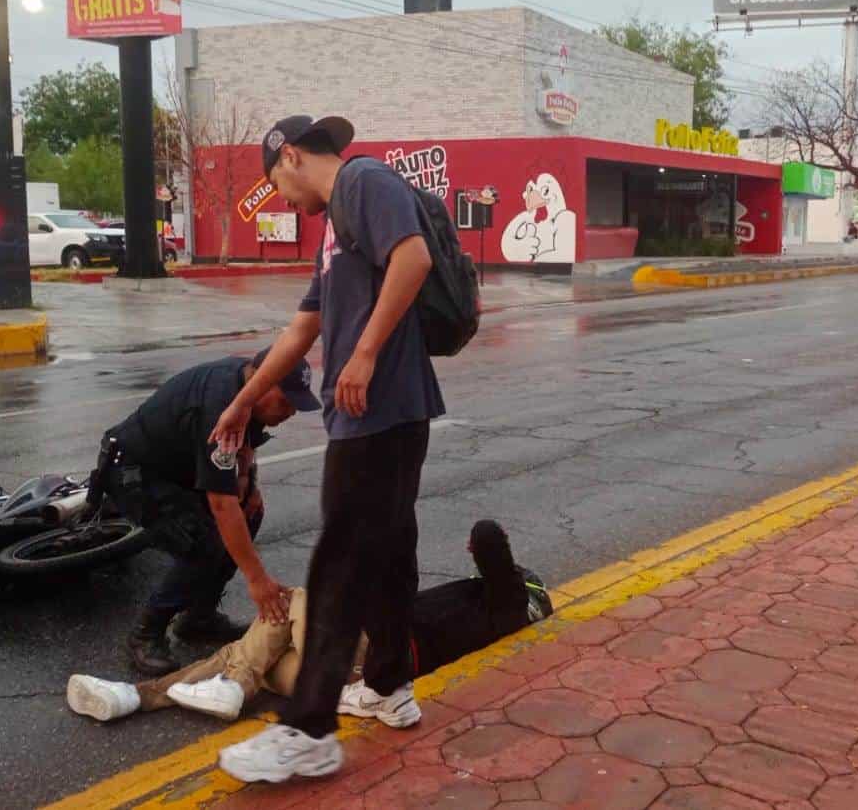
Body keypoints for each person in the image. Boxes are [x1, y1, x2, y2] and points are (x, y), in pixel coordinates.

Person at [207, 114, 445, 783]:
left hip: (380, 409)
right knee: (390, 550)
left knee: (339, 556)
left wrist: (365, 354)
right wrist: (244, 398)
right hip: (379, 414)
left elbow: (414, 257)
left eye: (274, 183)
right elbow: (300, 329)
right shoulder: (334, 227)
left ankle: (308, 729)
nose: (280, 199)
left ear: (289, 156)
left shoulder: (363, 180)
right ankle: (390, 686)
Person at [63, 521, 552, 727]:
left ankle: (224, 686)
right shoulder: (491, 614)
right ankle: (134, 697)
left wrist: (493, 555)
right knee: (249, 645)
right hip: (334, 674)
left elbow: (488, 534)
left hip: (366, 658)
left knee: (293, 598)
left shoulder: (507, 606)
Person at [105, 348, 321, 676]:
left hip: (181, 467)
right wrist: (257, 580)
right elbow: (221, 504)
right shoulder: (218, 405)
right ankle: (146, 632)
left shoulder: (244, 382)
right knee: (202, 541)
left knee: (250, 513)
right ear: (262, 383)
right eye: (286, 400)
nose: (291, 410)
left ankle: (198, 618)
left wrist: (249, 483)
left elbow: (246, 440)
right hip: (136, 470)